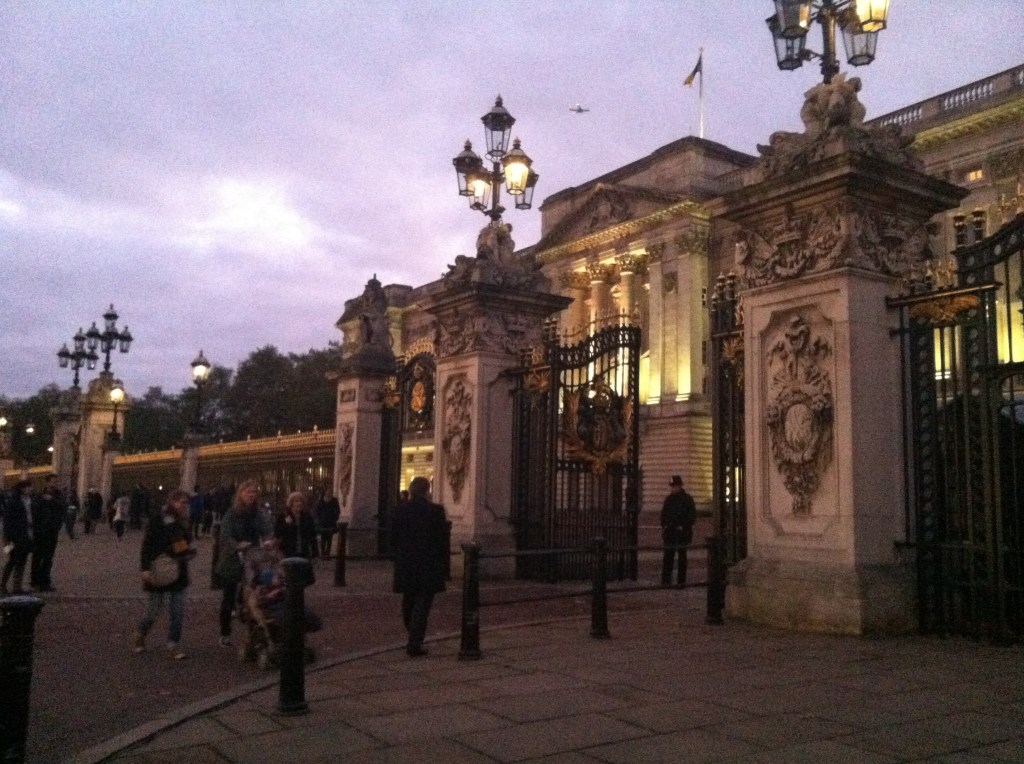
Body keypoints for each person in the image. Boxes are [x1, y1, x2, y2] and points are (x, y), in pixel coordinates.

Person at [132, 489, 196, 660]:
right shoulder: (158, 519)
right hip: (159, 567)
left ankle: (172, 644)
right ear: (172, 502)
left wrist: (187, 551)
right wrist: (144, 568)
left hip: (179, 569)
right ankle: (140, 634)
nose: (185, 506)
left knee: (178, 611)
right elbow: (147, 545)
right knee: (153, 610)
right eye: (182, 502)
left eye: (187, 503)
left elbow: (183, 542)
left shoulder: (184, 521)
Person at [390, 477, 447, 657]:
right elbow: (442, 541)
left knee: (408, 602)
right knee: (423, 605)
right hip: (429, 564)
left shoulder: (400, 510)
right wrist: (444, 566)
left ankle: (413, 634)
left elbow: (392, 538)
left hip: (406, 564)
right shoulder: (436, 511)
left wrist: (398, 556)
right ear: (427, 491)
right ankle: (415, 642)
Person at [214, 479, 272, 647]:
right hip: (232, 558)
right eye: (247, 492)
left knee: (254, 598)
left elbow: (267, 530)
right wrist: (237, 545)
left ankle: (255, 635)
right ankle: (225, 633)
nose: (251, 495)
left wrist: (269, 541)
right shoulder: (231, 513)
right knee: (228, 598)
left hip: (251, 558)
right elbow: (225, 536)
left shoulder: (259, 513)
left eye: (253, 492)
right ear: (240, 494)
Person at [661, 475, 697, 587]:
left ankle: (681, 582)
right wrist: (665, 525)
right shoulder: (669, 499)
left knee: (681, 557)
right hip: (670, 532)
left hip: (682, 533)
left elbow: (692, 515)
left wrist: (684, 526)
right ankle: (666, 581)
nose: (673, 489)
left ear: (679, 486)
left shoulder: (687, 499)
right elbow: (663, 514)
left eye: (674, 486)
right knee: (668, 557)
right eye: (672, 486)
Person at [30, 474, 65, 592]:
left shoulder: (59, 495)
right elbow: (34, 509)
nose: (56, 484)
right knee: (37, 556)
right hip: (40, 530)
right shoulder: (39, 495)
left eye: (57, 482)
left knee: (48, 557)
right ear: (47, 483)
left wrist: (52, 500)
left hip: (52, 530)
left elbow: (62, 506)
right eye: (53, 482)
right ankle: (35, 581)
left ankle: (45, 582)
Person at [1, 480, 34, 595]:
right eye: (29, 487)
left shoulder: (29, 500)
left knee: (22, 561)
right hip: (13, 537)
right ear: (22, 488)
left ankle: (17, 586)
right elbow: (8, 521)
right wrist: (9, 539)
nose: (31, 489)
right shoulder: (14, 501)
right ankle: (2, 585)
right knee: (12, 560)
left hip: (26, 535)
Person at [274, 491, 318, 559]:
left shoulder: (307, 517)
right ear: (291, 503)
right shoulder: (284, 516)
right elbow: (277, 534)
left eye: (301, 501)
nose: (299, 503)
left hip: (304, 553)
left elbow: (313, 536)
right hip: (288, 553)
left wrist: (315, 553)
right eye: (296, 501)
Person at [313, 490, 340, 559]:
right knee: (323, 538)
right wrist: (318, 519)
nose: (329, 493)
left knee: (329, 538)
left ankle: (327, 553)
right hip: (322, 522)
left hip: (331, 522)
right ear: (325, 493)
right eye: (327, 492)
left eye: (330, 492)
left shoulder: (334, 500)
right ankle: (323, 553)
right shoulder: (321, 500)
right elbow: (316, 510)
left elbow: (337, 510)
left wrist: (335, 518)